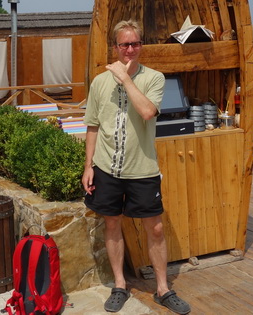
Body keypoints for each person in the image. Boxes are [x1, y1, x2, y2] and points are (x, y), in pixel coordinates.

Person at [82, 20, 191, 315]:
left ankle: (162, 288)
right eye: (124, 44)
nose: (130, 50)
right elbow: (93, 125)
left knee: (154, 228)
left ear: (141, 46)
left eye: (135, 44)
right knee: (112, 223)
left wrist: (125, 78)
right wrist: (88, 165)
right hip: (105, 167)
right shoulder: (99, 82)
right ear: (115, 47)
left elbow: (146, 112)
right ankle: (120, 285)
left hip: (142, 169)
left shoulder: (154, 78)